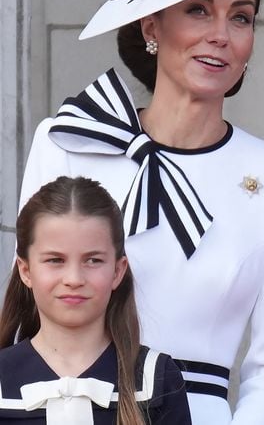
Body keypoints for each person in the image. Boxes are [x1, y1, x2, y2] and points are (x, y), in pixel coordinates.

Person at [18, 0, 264, 422]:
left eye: (241, 17)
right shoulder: (68, 143)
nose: (221, 34)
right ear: (152, 26)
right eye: (198, 9)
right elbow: (28, 308)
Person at [0, 176, 191, 424]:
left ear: (117, 271)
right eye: (55, 260)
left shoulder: (154, 379)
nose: (74, 278)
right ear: (26, 270)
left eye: (93, 260)